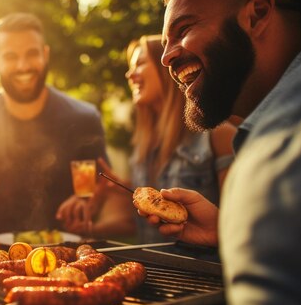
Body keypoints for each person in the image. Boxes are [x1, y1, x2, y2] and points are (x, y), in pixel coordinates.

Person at [141, 0, 301, 305]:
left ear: (258, 13)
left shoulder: (280, 151)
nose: (166, 56)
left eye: (184, 28)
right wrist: (226, 233)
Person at [0, 12, 134, 246]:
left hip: (68, 257)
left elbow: (101, 189)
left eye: (31, 54)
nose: (23, 66)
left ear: (45, 54)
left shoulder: (83, 118)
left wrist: (87, 202)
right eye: (11, 56)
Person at [97, 35, 236, 243]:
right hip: (154, 272)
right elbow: (141, 222)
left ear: (166, 68)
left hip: (203, 272)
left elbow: (240, 225)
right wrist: (95, 222)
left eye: (140, 64)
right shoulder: (143, 144)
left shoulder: (219, 135)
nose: (129, 74)